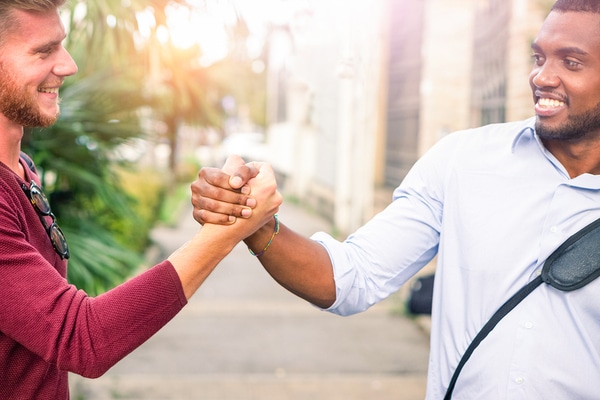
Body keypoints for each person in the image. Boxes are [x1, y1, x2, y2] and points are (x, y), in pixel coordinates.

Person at [191, 0, 600, 398]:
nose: (542, 77)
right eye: (538, 58)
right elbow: (351, 277)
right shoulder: (463, 162)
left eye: (571, 62)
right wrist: (253, 219)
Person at [0, 1, 281, 398]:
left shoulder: (22, 167)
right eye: (43, 51)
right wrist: (225, 233)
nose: (67, 65)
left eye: (61, 46)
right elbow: (83, 338)